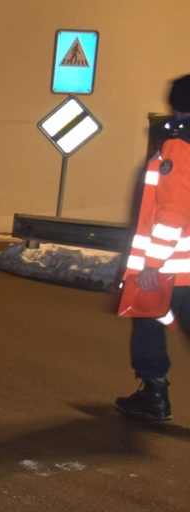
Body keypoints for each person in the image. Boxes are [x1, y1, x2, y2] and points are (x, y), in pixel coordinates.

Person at [115, 74, 190, 421]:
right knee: (150, 322)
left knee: (147, 318)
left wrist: (152, 264)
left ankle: (154, 396)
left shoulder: (179, 147)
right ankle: (153, 395)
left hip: (176, 267)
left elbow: (172, 212)